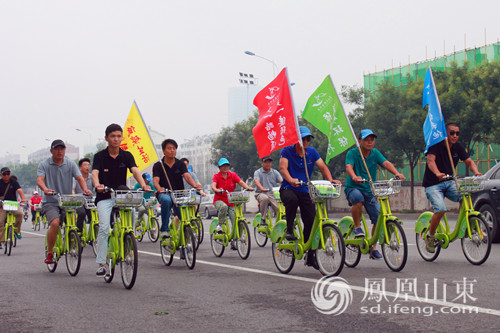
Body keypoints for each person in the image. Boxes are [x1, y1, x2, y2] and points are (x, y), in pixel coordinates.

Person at [92, 124, 150, 276]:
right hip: (104, 196)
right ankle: (102, 263)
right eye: (112, 136)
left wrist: (143, 185)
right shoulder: (99, 156)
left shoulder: (126, 155)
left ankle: (126, 245)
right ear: (107, 138)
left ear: (122, 137)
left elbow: (135, 170)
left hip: (122, 197)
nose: (116, 139)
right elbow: (95, 173)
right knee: (104, 228)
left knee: (129, 225)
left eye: (118, 136)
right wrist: (97, 185)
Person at [279, 126, 341, 267]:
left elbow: (323, 167)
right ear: (297, 139)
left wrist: (330, 180)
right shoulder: (287, 151)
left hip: (305, 190)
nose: (306, 141)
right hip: (289, 188)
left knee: (311, 221)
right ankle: (289, 229)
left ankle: (311, 255)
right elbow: (283, 168)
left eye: (308, 139)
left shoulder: (312, 152)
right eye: (303, 138)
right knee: (292, 200)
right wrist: (291, 179)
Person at [345, 129, 405, 259]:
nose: (369, 142)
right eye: (366, 139)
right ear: (360, 141)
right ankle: (357, 227)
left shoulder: (375, 153)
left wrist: (396, 173)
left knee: (378, 217)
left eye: (372, 139)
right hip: (354, 187)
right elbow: (349, 166)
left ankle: (373, 248)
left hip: (370, 189)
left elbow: (386, 163)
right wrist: (354, 176)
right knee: (357, 198)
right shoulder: (353, 153)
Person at [423, 123, 482, 253]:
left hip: (450, 183)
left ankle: (463, 224)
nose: (455, 136)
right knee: (441, 209)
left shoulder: (457, 147)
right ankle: (430, 237)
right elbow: (430, 161)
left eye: (457, 133)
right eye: (452, 133)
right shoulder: (435, 145)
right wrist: (438, 173)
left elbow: (469, 161)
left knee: (465, 197)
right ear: (446, 134)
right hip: (433, 184)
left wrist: (476, 172)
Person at [37, 140, 93, 264]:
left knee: (72, 223)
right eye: (56, 149)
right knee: (55, 223)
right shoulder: (44, 165)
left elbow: (79, 178)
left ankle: (71, 242)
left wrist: (85, 189)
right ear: (51, 151)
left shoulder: (70, 164)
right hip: (51, 201)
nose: (59, 151)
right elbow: (40, 180)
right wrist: (45, 189)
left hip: (67, 201)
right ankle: (50, 253)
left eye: (62, 149)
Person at [152, 139, 199, 240]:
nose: (172, 150)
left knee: (185, 219)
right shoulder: (158, 165)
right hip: (165, 193)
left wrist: (195, 185)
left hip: (179, 195)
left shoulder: (180, 164)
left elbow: (187, 176)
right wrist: (159, 188)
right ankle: (164, 229)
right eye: (169, 148)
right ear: (163, 151)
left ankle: (185, 245)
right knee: (166, 200)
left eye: (174, 148)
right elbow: (155, 180)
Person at [211, 158, 253, 238]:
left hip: (230, 201)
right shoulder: (216, 176)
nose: (225, 167)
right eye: (223, 165)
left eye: (227, 165)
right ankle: (220, 225)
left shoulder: (233, 175)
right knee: (223, 207)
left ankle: (235, 239)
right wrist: (217, 190)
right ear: (219, 167)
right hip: (219, 200)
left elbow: (241, 182)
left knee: (235, 219)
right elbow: (213, 186)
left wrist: (248, 187)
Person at [0, 167, 27, 248]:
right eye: (5, 174)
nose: (7, 175)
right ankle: (1, 240)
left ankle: (16, 230)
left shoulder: (13, 181)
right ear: (1, 175)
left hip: (13, 204)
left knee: (20, 214)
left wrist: (23, 199)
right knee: (0, 221)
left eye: (8, 173)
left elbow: (19, 190)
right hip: (2, 205)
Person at [254, 156, 282, 225]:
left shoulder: (275, 172)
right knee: (265, 198)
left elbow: (281, 181)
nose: (268, 164)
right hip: (260, 193)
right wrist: (262, 188)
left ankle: (282, 220)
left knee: (279, 207)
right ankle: (263, 218)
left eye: (269, 162)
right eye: (265, 162)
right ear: (262, 163)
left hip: (272, 194)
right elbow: (256, 181)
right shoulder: (258, 172)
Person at [73, 158, 94, 233]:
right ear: (80, 167)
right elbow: (72, 189)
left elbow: (97, 186)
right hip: (79, 201)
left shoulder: (92, 177)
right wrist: (73, 196)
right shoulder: (76, 178)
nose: (87, 167)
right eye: (85, 165)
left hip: (90, 201)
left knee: (94, 216)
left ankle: (94, 235)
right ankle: (79, 234)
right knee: (82, 213)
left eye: (88, 165)